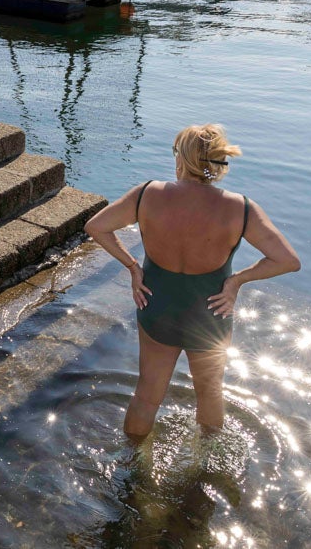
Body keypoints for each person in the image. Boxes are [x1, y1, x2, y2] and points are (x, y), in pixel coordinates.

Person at [85, 124, 300, 441]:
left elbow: (96, 227)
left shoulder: (147, 194)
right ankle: (206, 464)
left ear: (180, 158)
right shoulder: (241, 208)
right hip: (210, 313)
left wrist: (132, 267)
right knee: (210, 394)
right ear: (215, 163)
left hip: (156, 306)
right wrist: (238, 280)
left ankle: (131, 463)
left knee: (146, 395)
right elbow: (287, 260)